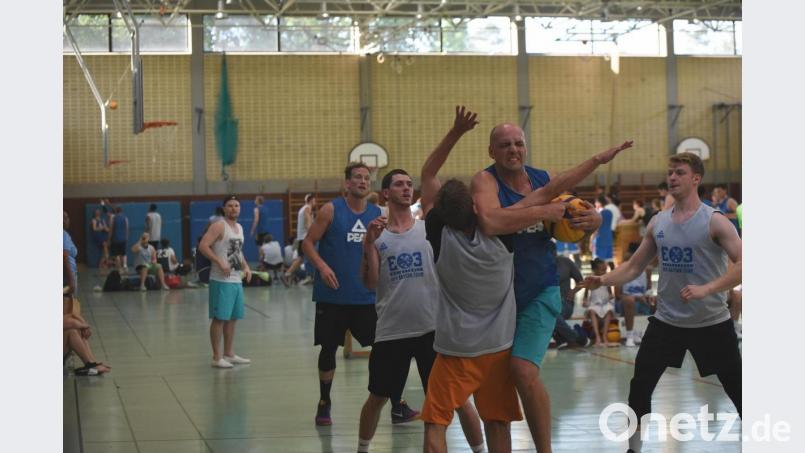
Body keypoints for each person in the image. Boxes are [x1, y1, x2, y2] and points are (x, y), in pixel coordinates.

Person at [471, 119, 632, 452]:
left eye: (518, 143)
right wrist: (543, 209)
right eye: (505, 145)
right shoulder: (484, 181)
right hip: (495, 299)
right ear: (491, 151)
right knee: (494, 389)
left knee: (523, 371)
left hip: (539, 290)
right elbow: (491, 221)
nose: (514, 150)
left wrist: (593, 221)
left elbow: (575, 215)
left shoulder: (542, 178)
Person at [583, 152, 742, 453]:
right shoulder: (658, 222)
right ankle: (634, 449)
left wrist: (708, 288)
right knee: (639, 388)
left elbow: (743, 264)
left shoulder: (715, 222)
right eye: (670, 172)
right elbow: (632, 266)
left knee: (739, 390)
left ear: (696, 178)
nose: (672, 178)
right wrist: (602, 280)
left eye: (679, 172)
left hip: (711, 323)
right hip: (667, 322)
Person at [357, 167, 483, 453]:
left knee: (459, 399)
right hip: (392, 331)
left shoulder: (427, 229)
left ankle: (479, 449)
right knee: (377, 398)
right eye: (399, 184)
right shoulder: (377, 236)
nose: (406, 188)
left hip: (433, 330)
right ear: (386, 193)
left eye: (409, 184)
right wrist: (367, 245)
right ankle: (362, 448)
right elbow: (370, 282)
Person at [302, 163, 397, 426]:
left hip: (366, 297)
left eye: (367, 178)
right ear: (347, 183)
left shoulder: (379, 214)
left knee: (382, 348)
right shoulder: (331, 210)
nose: (363, 182)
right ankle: (324, 402)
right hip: (332, 296)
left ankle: (393, 399)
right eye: (357, 177)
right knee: (328, 348)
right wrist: (321, 266)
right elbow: (308, 243)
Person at [199, 195, 253, 369]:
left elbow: (237, 252)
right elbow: (203, 246)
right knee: (219, 318)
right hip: (220, 280)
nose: (234, 208)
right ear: (224, 209)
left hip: (236, 280)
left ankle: (229, 354)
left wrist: (246, 267)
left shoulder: (239, 228)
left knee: (232, 318)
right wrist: (218, 261)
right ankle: (217, 357)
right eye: (230, 205)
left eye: (237, 205)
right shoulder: (218, 226)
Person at [615, 246, 655, 347]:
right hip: (625, 302)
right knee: (630, 300)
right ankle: (630, 336)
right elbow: (618, 295)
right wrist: (637, 298)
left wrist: (649, 295)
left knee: (658, 299)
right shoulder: (622, 269)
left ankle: (657, 334)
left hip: (641, 301)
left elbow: (648, 290)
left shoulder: (646, 270)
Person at [582, 259, 617, 347]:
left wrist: (611, 296)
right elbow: (585, 296)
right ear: (595, 270)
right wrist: (585, 301)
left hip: (605, 304)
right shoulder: (590, 279)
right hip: (594, 304)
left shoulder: (606, 280)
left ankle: (604, 336)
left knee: (609, 311)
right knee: (592, 312)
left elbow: (610, 293)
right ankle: (598, 336)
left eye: (605, 270)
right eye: (602, 270)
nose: (604, 272)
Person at [591, 196, 615, 269]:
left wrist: (591, 241)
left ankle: (599, 278)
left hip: (599, 239)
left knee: (598, 261)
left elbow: (596, 229)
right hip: (608, 238)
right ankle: (614, 276)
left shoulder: (598, 213)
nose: (595, 204)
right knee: (610, 260)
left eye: (596, 202)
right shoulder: (610, 212)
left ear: (598, 203)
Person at [109, 206, 129, 271]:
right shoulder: (125, 218)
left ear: (116, 212)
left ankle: (119, 266)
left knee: (116, 254)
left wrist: (109, 238)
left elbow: (111, 229)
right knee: (124, 253)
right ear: (122, 211)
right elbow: (127, 228)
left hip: (115, 239)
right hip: (123, 239)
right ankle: (125, 265)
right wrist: (126, 237)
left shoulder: (113, 218)